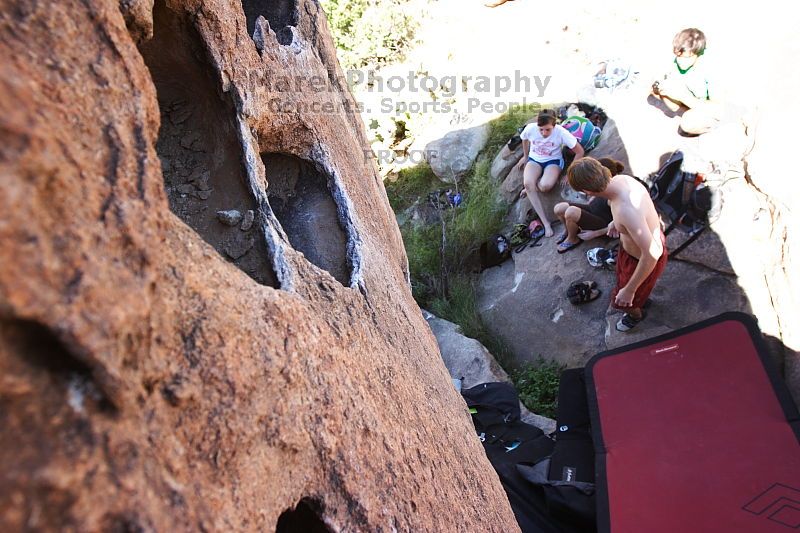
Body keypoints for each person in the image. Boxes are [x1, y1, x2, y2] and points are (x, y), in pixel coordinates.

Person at [567, 158, 667, 332]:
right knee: (628, 286)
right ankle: (639, 297)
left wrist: (629, 289)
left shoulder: (626, 210)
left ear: (587, 191)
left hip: (642, 260)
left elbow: (652, 254)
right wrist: (616, 223)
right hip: (631, 251)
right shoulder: (622, 180)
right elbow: (638, 212)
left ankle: (635, 315)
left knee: (623, 300)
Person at [517, 109, 584, 237]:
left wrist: (570, 173)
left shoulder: (561, 132)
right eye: (541, 129)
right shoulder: (531, 128)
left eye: (547, 129)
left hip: (553, 161)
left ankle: (533, 186)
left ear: (554, 125)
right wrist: (525, 156)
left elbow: (579, 151)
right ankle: (545, 223)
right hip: (534, 159)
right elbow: (524, 139)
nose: (543, 133)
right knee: (527, 183)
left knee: (545, 187)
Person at [650, 28, 722, 135]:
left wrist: (682, 96)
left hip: (707, 106)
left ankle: (715, 127)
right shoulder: (679, 60)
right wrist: (661, 90)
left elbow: (718, 110)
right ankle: (689, 113)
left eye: (685, 58)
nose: (679, 61)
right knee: (661, 89)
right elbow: (673, 106)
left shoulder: (710, 69)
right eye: (678, 56)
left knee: (688, 123)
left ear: (698, 54)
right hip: (692, 100)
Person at [552, 157, 624, 253]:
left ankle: (572, 239)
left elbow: (619, 222)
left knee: (571, 212)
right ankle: (569, 231)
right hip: (593, 211)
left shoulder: (612, 194)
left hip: (603, 225)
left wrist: (595, 234)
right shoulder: (601, 188)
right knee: (559, 208)